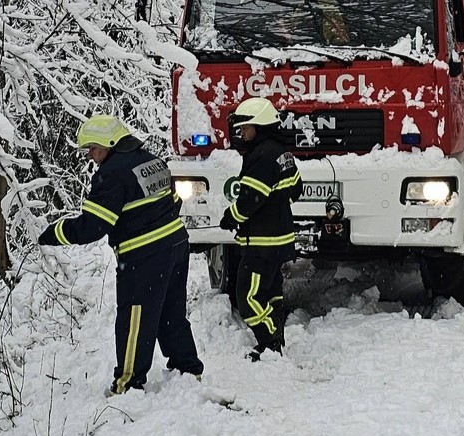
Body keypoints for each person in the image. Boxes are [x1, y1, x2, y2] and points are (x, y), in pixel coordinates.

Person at [40, 115, 203, 395]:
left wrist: (54, 233)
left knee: (134, 319)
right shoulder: (152, 161)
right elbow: (174, 201)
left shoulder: (112, 173)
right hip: (176, 245)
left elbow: (93, 226)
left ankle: (128, 384)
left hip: (144, 256)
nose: (90, 156)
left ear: (109, 143)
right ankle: (187, 369)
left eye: (92, 148)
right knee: (170, 312)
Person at [219, 97, 302, 360]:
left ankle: (269, 343)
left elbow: (249, 202)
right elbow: (295, 189)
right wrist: (274, 204)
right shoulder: (281, 152)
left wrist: (230, 217)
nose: (241, 134)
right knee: (271, 292)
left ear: (261, 127)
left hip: (262, 243)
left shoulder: (262, 156)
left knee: (247, 297)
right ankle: (276, 341)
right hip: (279, 240)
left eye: (245, 129)